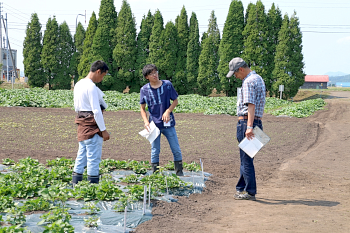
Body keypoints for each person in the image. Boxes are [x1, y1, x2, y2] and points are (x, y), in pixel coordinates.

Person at [226, 57, 266, 201]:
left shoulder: (248, 81)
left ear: (241, 69)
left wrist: (248, 127)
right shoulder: (258, 78)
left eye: (235, 73)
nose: (235, 76)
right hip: (257, 122)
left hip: (246, 123)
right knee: (247, 157)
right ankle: (241, 188)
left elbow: (251, 105)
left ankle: (250, 191)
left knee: (246, 160)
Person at [140, 64, 184, 176]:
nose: (155, 75)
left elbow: (175, 101)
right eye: (151, 73)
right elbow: (142, 108)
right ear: (147, 77)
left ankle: (179, 173)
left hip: (168, 124)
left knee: (176, 149)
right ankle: (156, 175)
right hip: (154, 125)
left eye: (155, 72)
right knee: (155, 151)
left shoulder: (167, 85)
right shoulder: (144, 90)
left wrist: (168, 111)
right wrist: (146, 122)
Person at [72, 60, 110, 184]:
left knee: (81, 155)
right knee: (93, 158)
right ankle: (92, 188)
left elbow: (77, 107)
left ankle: (75, 184)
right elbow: (97, 111)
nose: (102, 78)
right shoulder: (91, 86)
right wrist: (103, 131)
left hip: (81, 123)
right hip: (92, 125)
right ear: (98, 71)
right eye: (103, 75)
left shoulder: (78, 84)